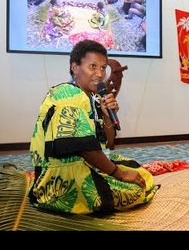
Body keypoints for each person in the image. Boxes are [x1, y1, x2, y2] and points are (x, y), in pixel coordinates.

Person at [29, 40, 159, 214]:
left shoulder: (93, 97)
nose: (99, 74)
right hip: (62, 176)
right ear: (75, 67)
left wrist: (107, 115)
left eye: (103, 68)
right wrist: (118, 174)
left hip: (83, 163)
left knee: (138, 172)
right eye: (93, 66)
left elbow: (109, 142)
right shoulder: (68, 94)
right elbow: (84, 148)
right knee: (136, 189)